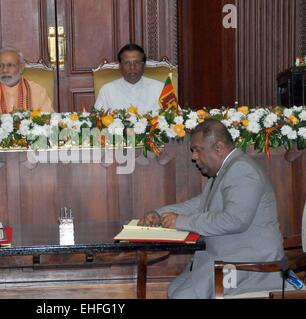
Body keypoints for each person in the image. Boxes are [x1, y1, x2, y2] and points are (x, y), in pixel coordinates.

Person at [138, 119, 285, 298]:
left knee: (181, 296)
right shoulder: (224, 171)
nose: (193, 157)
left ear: (219, 148)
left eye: (197, 150)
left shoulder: (242, 170)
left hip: (250, 265)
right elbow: (200, 204)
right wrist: (159, 214)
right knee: (173, 290)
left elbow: (234, 221)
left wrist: (180, 221)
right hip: (224, 259)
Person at [0, 46, 54, 113]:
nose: (4, 70)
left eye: (10, 65)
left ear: (21, 67)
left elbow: (47, 121)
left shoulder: (38, 91)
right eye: (0, 66)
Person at [94, 43, 164, 114]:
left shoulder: (160, 88)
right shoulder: (107, 90)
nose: (132, 67)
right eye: (127, 63)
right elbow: (98, 120)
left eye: (136, 62)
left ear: (144, 65)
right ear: (120, 66)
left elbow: (171, 119)